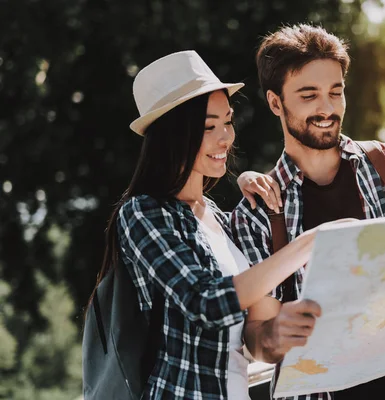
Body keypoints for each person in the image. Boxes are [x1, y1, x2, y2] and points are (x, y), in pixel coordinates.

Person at [231, 25, 385, 399]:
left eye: (335, 91)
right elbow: (258, 335)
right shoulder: (255, 213)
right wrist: (272, 337)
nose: (327, 108)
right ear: (275, 103)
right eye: (309, 95)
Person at [89, 50, 319, 400]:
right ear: (172, 135)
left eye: (227, 121)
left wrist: (281, 331)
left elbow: (256, 336)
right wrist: (307, 245)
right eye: (208, 127)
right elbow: (206, 302)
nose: (225, 137)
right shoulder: (142, 214)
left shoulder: (223, 221)